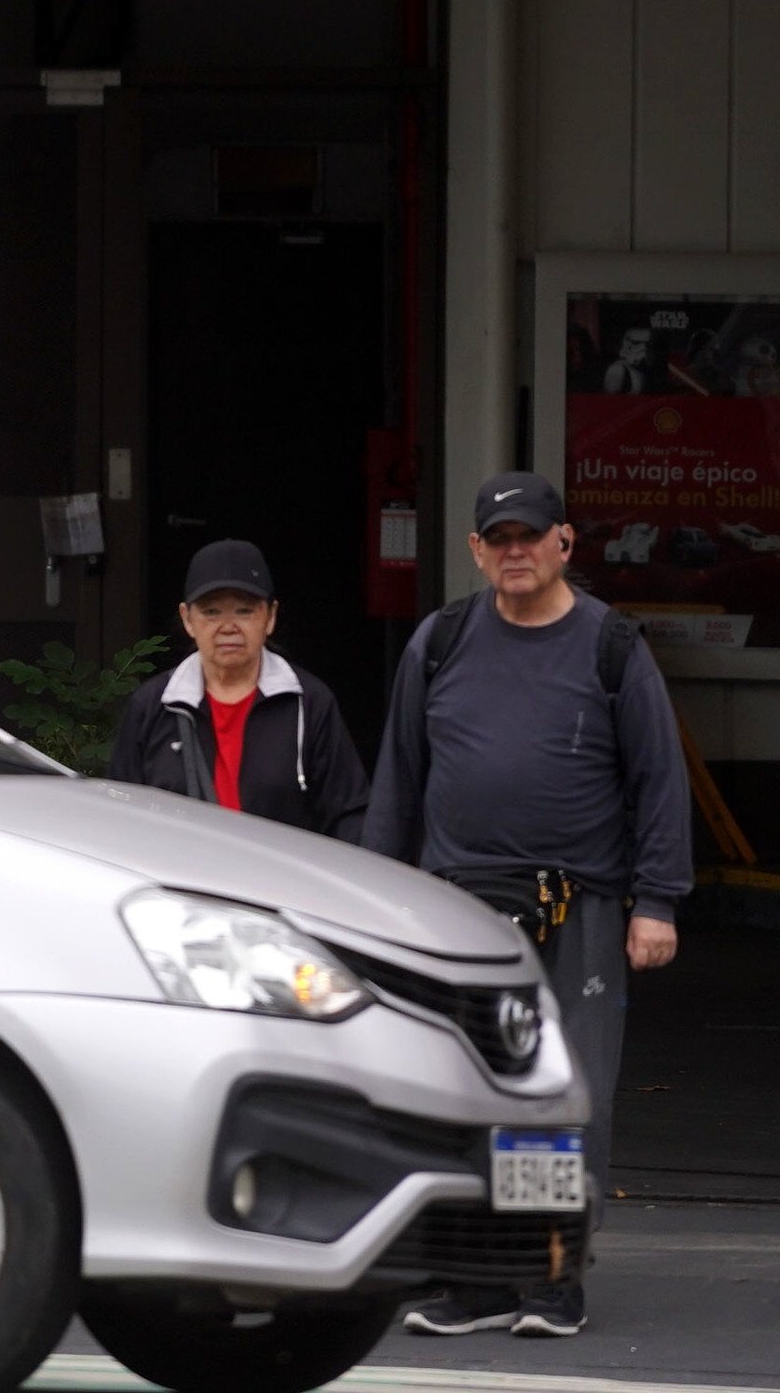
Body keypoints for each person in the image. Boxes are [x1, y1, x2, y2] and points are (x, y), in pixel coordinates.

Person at [366, 471, 689, 1339]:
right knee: (462, 1094)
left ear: (564, 544)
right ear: (477, 551)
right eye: (497, 540)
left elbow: (660, 780)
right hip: (455, 908)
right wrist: (370, 898)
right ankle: (474, 1280)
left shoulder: (612, 646)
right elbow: (399, 776)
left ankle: (549, 1278)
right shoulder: (438, 642)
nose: (514, 552)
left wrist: (655, 902)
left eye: (529, 537)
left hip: (577, 909)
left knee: (561, 1095)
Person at [107, 538, 369, 842]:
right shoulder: (154, 704)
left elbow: (349, 815)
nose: (228, 626)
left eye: (244, 611)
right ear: (187, 619)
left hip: (281, 884)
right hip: (178, 882)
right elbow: (121, 815)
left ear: (270, 617)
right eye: (211, 612)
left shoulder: (308, 702)